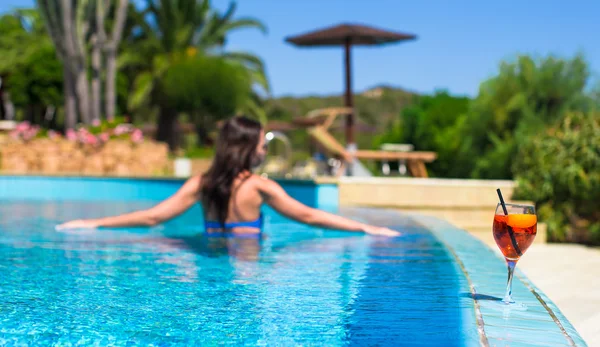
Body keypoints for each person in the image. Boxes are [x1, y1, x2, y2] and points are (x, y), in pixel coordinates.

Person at [56, 116, 400, 237]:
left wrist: (94, 223)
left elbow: (153, 217)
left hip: (211, 257)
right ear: (248, 148)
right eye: (261, 142)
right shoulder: (260, 187)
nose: (265, 149)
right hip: (249, 262)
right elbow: (308, 216)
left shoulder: (201, 184)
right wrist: (363, 226)